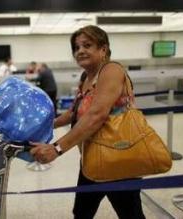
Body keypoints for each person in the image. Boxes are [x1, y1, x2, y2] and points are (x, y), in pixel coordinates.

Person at [30, 25, 145, 219]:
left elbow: (96, 115)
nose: (80, 51)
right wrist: (44, 126)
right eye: (76, 47)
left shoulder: (112, 70)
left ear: (103, 49)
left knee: (130, 214)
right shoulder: (86, 77)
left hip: (119, 158)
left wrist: (57, 148)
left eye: (87, 45)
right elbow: (73, 113)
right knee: (82, 212)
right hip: (92, 158)